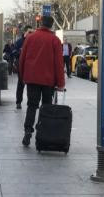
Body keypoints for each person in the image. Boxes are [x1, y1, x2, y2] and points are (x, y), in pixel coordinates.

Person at [18, 16, 65, 146]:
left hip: (32, 79)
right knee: (46, 108)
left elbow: (22, 58)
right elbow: (59, 64)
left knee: (32, 106)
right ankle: (43, 132)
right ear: (51, 26)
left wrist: (22, 77)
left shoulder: (30, 38)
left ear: (40, 23)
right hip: (48, 81)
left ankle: (28, 131)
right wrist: (60, 83)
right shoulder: (55, 40)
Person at [11, 25, 33, 109]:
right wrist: (20, 54)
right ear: (25, 32)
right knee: (21, 84)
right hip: (21, 65)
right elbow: (13, 51)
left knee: (31, 85)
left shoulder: (34, 41)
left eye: (32, 32)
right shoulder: (19, 41)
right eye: (29, 32)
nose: (31, 34)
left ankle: (30, 102)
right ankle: (18, 102)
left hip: (31, 66)